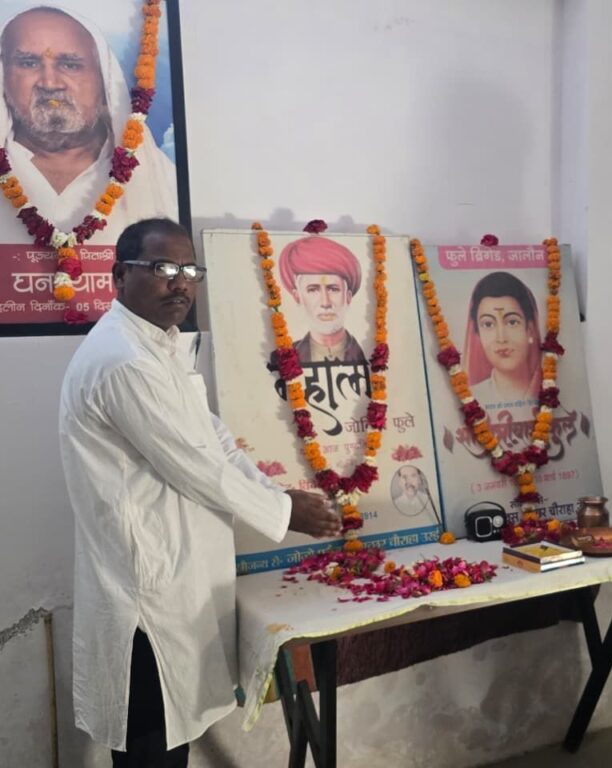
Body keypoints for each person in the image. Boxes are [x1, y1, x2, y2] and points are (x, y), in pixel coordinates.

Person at [58, 218, 341, 767]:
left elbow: (215, 443)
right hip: (146, 595)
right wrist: (284, 511)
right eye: (164, 268)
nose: (181, 283)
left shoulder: (162, 346)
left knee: (171, 740)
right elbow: (195, 466)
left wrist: (278, 494)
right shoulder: (124, 361)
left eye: (190, 271)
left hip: (178, 579)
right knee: (151, 747)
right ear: (119, 276)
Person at [0, 7, 177, 240]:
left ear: (104, 80)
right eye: (28, 63)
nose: (50, 83)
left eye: (70, 65)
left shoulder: (161, 177)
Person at [278, 235, 367, 365]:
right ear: (297, 297)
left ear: (348, 297)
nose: (325, 303)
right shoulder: (280, 359)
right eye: (313, 290)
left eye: (333, 289)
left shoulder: (368, 353)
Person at [463, 270, 541, 410]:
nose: (501, 338)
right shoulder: (471, 399)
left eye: (512, 322)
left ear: (530, 330)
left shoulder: (552, 391)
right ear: (478, 334)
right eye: (488, 324)